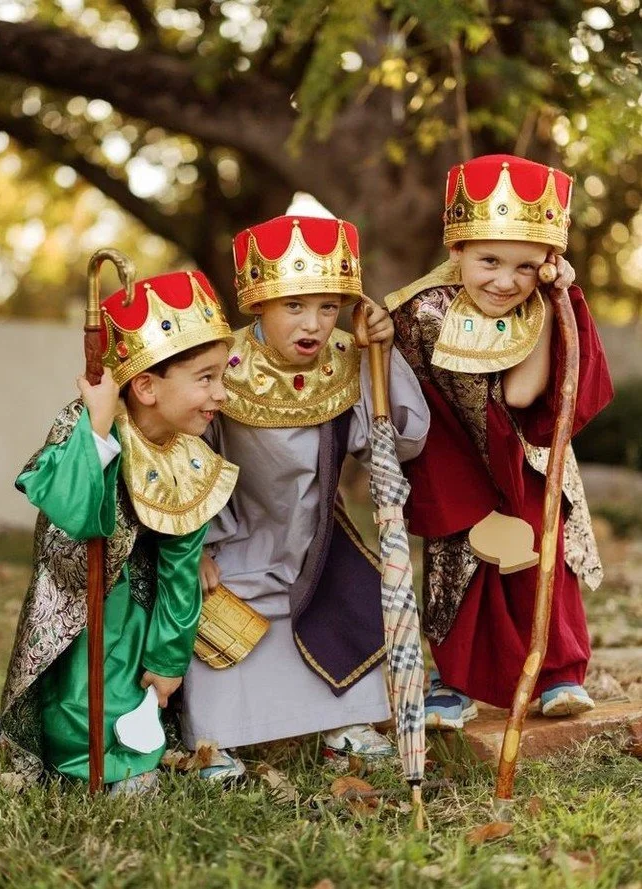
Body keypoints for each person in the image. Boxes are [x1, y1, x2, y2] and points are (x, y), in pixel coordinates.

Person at [0, 271, 238, 794]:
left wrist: (168, 658)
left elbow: (180, 566)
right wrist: (98, 430)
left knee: (130, 689)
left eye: (223, 375)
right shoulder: (84, 424)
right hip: (78, 595)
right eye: (206, 378)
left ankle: (113, 757)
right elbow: (73, 512)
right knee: (78, 693)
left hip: (138, 602)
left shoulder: (193, 457)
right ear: (145, 385)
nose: (221, 393)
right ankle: (54, 754)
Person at [180, 215, 430, 779]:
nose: (313, 323)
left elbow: (399, 442)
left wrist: (381, 360)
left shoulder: (349, 356)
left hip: (316, 534)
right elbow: (188, 457)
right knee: (220, 620)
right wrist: (193, 546)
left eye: (326, 306)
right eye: (294, 306)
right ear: (258, 305)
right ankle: (215, 739)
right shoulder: (224, 366)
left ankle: (343, 723)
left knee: (344, 598)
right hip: (235, 533)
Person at [386, 155, 614, 728]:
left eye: (525, 267)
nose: (504, 281)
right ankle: (457, 681)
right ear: (456, 249)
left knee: (543, 559)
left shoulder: (541, 302)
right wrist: (466, 498)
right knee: (460, 564)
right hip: (453, 461)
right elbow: (420, 411)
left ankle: (558, 673)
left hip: (528, 458)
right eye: (489, 260)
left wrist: (551, 305)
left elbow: (522, 399)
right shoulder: (419, 312)